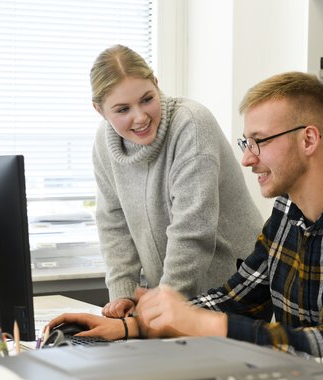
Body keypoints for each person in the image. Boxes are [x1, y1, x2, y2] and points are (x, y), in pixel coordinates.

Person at [48, 71, 323, 379]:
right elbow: (237, 298)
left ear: (309, 139)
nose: (247, 160)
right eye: (245, 142)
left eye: (259, 141)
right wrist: (133, 326)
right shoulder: (288, 213)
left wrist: (199, 323)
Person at [90, 44, 263, 318]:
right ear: (100, 110)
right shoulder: (104, 143)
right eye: (122, 109)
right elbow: (113, 222)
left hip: (236, 287)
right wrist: (123, 293)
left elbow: (193, 230)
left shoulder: (191, 125)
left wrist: (164, 303)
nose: (140, 117)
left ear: (156, 84)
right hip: (175, 294)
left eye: (147, 99)